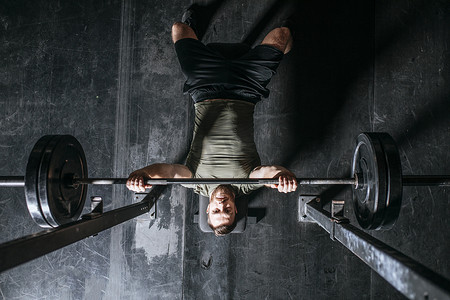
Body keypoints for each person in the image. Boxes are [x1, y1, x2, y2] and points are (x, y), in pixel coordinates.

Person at [127, 6, 297, 236]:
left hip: (205, 89)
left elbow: (168, 171)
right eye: (227, 210)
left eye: (216, 210)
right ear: (236, 208)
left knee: (179, 29)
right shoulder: (247, 184)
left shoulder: (196, 182)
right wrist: (282, 176)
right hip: (245, 88)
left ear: (208, 208)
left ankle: (195, 28)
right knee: (282, 35)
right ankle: (287, 43)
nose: (222, 205)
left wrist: (142, 174)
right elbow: (268, 173)